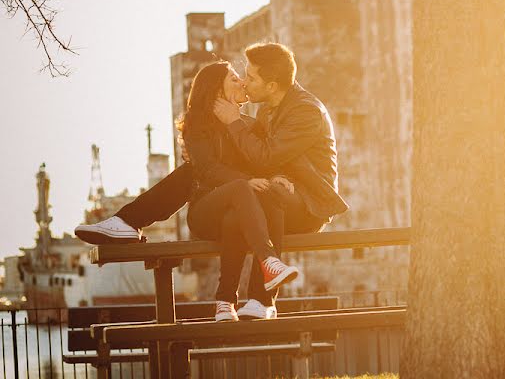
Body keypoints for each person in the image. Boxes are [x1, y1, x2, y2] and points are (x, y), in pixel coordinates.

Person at [75, 42, 348, 320]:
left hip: (308, 201)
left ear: (272, 85)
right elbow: (252, 156)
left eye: (251, 78)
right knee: (207, 180)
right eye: (240, 76)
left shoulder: (306, 111)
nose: (244, 81)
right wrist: (199, 154)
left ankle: (261, 299)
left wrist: (266, 167)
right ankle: (129, 223)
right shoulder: (265, 111)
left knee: (264, 191)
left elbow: (265, 157)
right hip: (261, 197)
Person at [178, 61, 299, 321]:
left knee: (262, 202)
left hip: (239, 212)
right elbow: (208, 170)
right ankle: (269, 265)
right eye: (235, 78)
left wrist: (279, 176)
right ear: (216, 89)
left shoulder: (249, 124)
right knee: (241, 190)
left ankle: (228, 302)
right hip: (207, 209)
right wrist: (247, 180)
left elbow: (264, 159)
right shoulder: (198, 125)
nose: (243, 82)